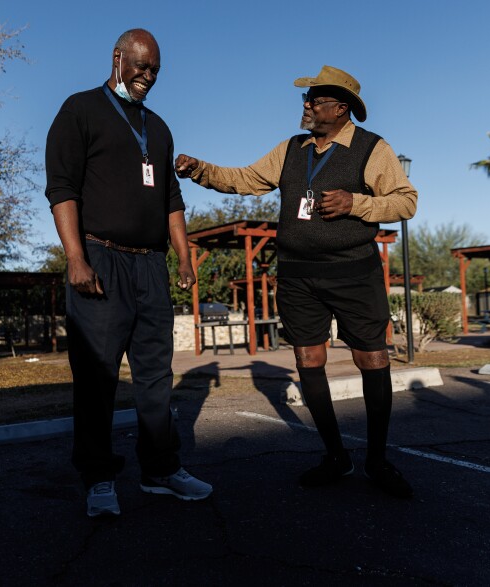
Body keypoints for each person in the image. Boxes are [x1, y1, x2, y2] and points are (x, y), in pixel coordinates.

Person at [175, 65, 418, 498]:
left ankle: (377, 460)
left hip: (354, 272)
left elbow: (406, 201)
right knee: (308, 360)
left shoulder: (372, 148)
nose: (306, 107)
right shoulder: (291, 149)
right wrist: (200, 170)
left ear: (341, 108)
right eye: (305, 100)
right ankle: (336, 457)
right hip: (298, 275)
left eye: (315, 101)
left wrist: (355, 203)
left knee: (372, 361)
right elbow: (245, 179)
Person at [45, 29, 212, 517]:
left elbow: (171, 202)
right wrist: (75, 258)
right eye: (141, 66)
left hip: (150, 265)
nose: (148, 76)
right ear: (118, 58)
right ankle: (98, 479)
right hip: (100, 258)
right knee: (97, 377)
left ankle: (161, 470)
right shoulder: (79, 110)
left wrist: (182, 257)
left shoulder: (158, 128)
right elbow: (62, 189)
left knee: (157, 375)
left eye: (155, 70)